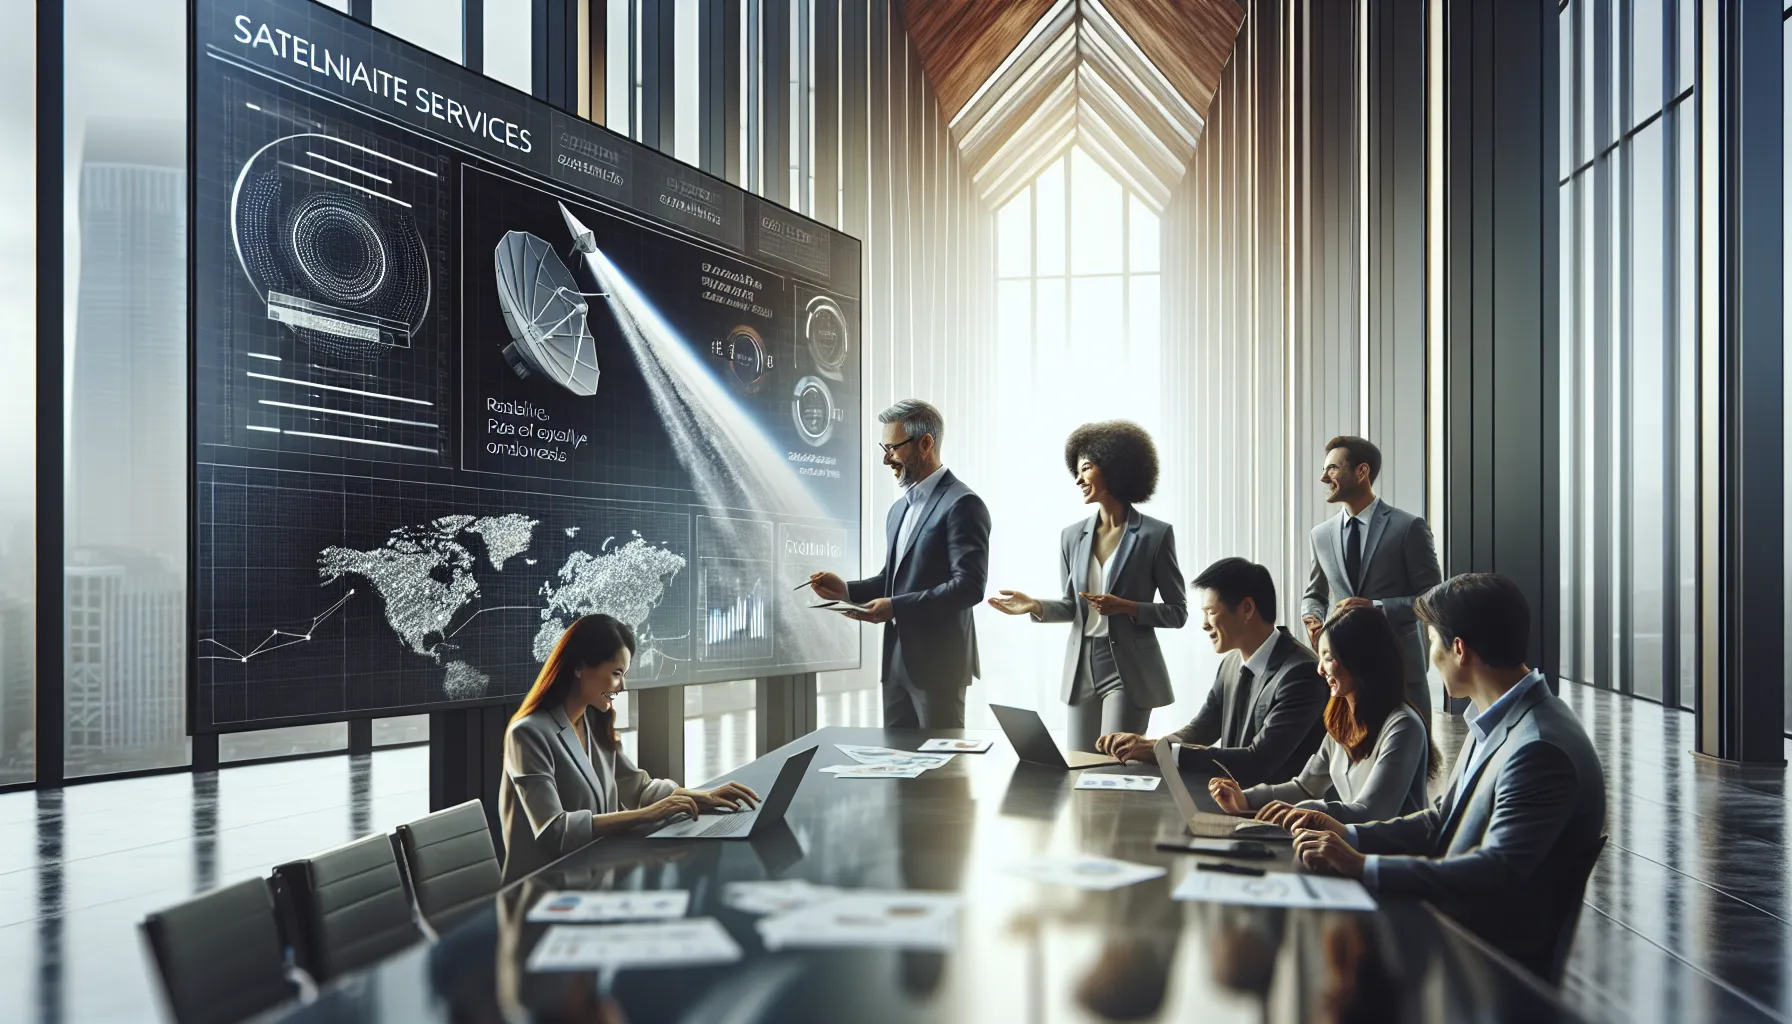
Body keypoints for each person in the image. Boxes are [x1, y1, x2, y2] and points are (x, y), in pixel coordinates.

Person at [1285, 574, 1607, 977]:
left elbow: (1494, 872)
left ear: (1459, 650)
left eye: (1432, 643)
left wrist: (1364, 866)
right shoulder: (1499, 721)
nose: (1430, 658)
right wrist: (1350, 835)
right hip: (1451, 929)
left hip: (1479, 960)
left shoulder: (1539, 748)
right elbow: (1441, 819)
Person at [498, 614, 761, 883]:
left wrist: (702, 798)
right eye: (616, 674)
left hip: (596, 878)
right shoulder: (527, 734)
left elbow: (639, 789)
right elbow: (554, 831)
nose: (622, 686)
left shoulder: (592, 722)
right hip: (542, 891)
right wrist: (647, 815)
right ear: (579, 667)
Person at [987, 420, 1188, 751]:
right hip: (1082, 666)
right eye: (1077, 471)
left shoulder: (1155, 535)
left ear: (1113, 467)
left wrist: (1125, 607)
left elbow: (1177, 612)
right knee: (1079, 763)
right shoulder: (1071, 536)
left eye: (1086, 469)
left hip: (1128, 670)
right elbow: (1073, 606)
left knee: (1112, 761)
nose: (1078, 479)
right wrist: (1035, 605)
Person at [809, 399, 990, 729]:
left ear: (925, 444)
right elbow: (892, 580)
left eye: (892, 448)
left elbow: (969, 587)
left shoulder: (963, 504)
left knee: (940, 762)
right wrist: (846, 590)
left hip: (940, 669)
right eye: (884, 448)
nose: (885, 458)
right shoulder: (897, 511)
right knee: (894, 760)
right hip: (895, 668)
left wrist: (895, 607)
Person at [1097, 557, 1326, 787]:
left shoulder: (1302, 673)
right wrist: (1146, 746)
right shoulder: (1231, 663)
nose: (1204, 624)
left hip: (1278, 806)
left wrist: (1159, 751)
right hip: (1230, 797)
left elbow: (1258, 761)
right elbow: (1201, 729)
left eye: (1210, 612)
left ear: (1247, 609)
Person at [1208, 606, 1438, 825]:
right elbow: (1305, 787)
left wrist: (1309, 812)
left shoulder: (1403, 726)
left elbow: (1372, 813)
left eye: (1328, 657)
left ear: (1360, 659)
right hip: (1348, 846)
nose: (1319, 669)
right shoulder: (1342, 721)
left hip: (1391, 851)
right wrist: (1244, 798)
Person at [1301, 436, 1442, 722]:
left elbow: (1433, 598)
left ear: (1361, 471)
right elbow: (1314, 594)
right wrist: (1312, 616)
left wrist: (1377, 607)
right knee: (1348, 747)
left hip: (1400, 668)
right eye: (1324, 469)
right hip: (1344, 669)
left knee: (1410, 744)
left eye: (1332, 468)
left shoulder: (1408, 527)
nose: (1323, 477)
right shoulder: (1320, 535)